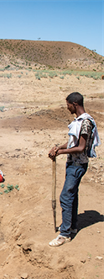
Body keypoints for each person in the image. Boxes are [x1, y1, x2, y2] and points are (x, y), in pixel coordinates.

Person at [48, 92, 100, 247]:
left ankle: (64, 234)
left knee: (65, 197)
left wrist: (61, 152)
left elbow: (81, 147)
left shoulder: (85, 123)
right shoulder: (79, 121)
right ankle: (73, 226)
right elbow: (72, 143)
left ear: (75, 104)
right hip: (73, 164)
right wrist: (58, 148)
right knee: (72, 195)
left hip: (78, 165)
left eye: (68, 105)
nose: (67, 107)